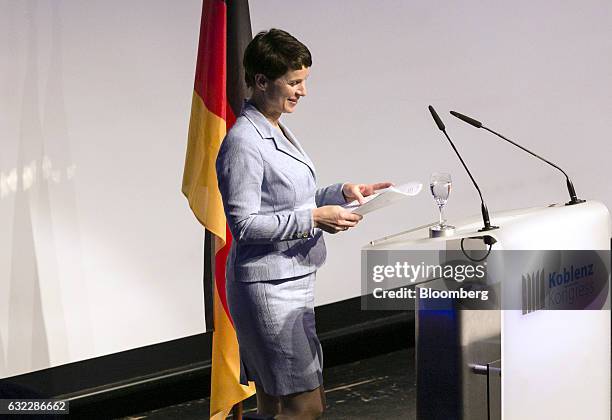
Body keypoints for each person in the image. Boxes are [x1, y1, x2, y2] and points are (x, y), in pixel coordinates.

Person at [216, 28, 392, 419]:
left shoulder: (275, 125)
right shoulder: (244, 142)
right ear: (261, 81)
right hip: (268, 289)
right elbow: (244, 225)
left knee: (277, 405)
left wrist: (340, 194)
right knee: (304, 408)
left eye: (303, 81)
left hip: (290, 281)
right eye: (293, 82)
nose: (302, 92)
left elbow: (288, 198)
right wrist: (314, 218)